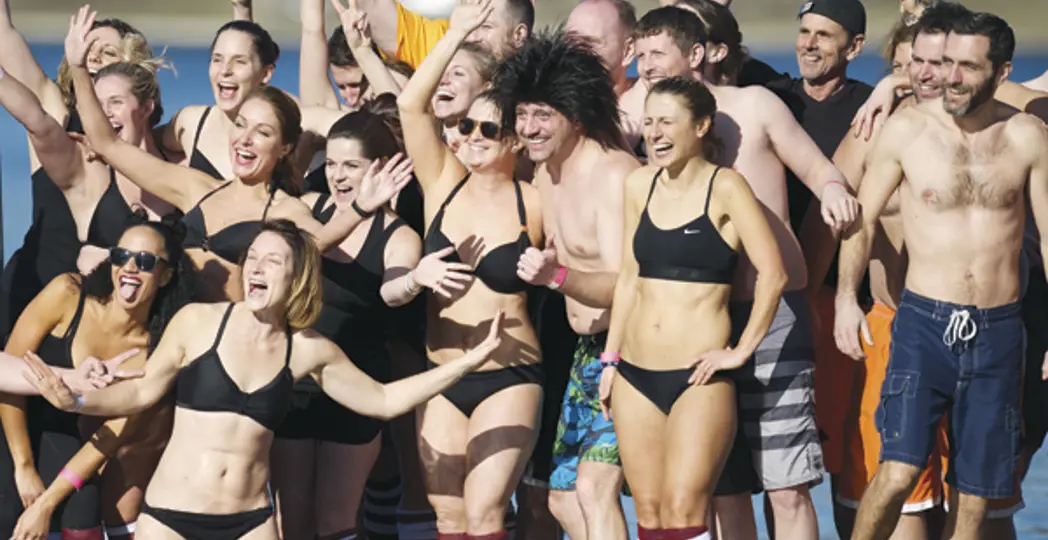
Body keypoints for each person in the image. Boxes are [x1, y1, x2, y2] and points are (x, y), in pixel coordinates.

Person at [23, 219, 509, 539]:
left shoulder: (308, 349)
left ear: (296, 276)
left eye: (272, 261)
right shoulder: (198, 322)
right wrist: (76, 400)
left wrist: (467, 363)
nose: (255, 267)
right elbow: (140, 391)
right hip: (170, 519)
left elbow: (382, 400)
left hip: (251, 523)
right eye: (252, 257)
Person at [631, 8, 858, 539]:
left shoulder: (753, 106)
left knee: (787, 485)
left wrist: (833, 192)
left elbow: (817, 168)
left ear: (696, 54)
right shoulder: (641, 112)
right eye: (638, 56)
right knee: (724, 489)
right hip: (698, 323)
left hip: (773, 313)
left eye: (656, 54)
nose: (645, 67)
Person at [833, 12, 1048, 540]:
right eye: (947, 63)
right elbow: (861, 220)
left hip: (999, 329)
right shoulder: (908, 130)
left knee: (975, 493)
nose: (951, 77)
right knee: (897, 472)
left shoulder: (1027, 137)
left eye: (967, 67)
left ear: (1001, 73)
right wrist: (844, 298)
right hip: (924, 324)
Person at [64, 7, 410, 303]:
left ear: (286, 147)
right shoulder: (196, 187)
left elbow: (316, 242)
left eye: (262, 133)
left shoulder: (284, 210)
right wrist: (78, 68)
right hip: (172, 330)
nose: (245, 140)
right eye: (241, 126)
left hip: (225, 339)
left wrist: (361, 208)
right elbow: (108, 144)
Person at [599, 75, 786, 540]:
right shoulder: (638, 185)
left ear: (701, 126)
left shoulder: (727, 187)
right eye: (649, 123)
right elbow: (629, 278)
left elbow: (774, 274)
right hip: (634, 374)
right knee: (649, 511)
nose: (655, 134)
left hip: (698, 376)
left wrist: (740, 351)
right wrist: (611, 359)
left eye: (667, 122)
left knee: (684, 510)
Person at [271, 101, 456, 540]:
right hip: (293, 383)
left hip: (356, 388)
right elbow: (294, 252)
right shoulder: (308, 206)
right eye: (332, 164)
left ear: (382, 167)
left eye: (351, 166)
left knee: (335, 522)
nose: (337, 176)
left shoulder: (398, 235)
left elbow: (391, 292)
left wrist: (414, 280)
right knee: (291, 520)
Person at [397, 1, 546, 537]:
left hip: (510, 373)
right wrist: (454, 33)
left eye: (489, 127)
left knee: (485, 515)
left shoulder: (536, 199)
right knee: (449, 518)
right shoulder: (442, 183)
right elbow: (411, 105)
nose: (474, 135)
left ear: (515, 138)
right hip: (441, 373)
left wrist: (553, 271)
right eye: (466, 125)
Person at [491, 28, 640, 540]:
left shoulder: (612, 173)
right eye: (522, 114)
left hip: (627, 348)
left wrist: (555, 275)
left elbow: (626, 284)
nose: (528, 128)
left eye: (543, 115)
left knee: (594, 489)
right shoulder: (544, 173)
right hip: (584, 352)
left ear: (575, 115)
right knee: (560, 497)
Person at [816, 12, 950, 539]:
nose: (918, 75)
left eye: (932, 64)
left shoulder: (987, 128)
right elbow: (828, 228)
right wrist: (827, 305)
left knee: (973, 496)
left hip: (971, 328)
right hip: (891, 323)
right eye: (903, 66)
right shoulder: (874, 131)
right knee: (890, 486)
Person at [1, 215, 193, 540]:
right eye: (121, 256)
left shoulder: (152, 352)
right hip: (10, 422)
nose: (130, 268)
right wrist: (24, 467)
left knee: (82, 506)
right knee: (10, 509)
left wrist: (45, 504)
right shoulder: (67, 294)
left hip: (62, 435)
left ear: (166, 276)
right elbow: (8, 377)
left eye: (145, 261)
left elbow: (109, 437)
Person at [155, 19, 280, 180]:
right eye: (217, 59)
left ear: (266, 73)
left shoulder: (279, 135)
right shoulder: (191, 123)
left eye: (239, 62)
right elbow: (142, 143)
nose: (225, 70)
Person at [563, 0, 645, 151]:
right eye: (570, 41)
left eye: (589, 43)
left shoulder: (653, 109)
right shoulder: (546, 103)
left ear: (628, 50)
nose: (576, 51)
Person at [353, 0, 532, 67]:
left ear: (519, 35)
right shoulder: (443, 46)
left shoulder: (540, 85)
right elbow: (373, 6)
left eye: (486, 27)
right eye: (468, 25)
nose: (471, 37)